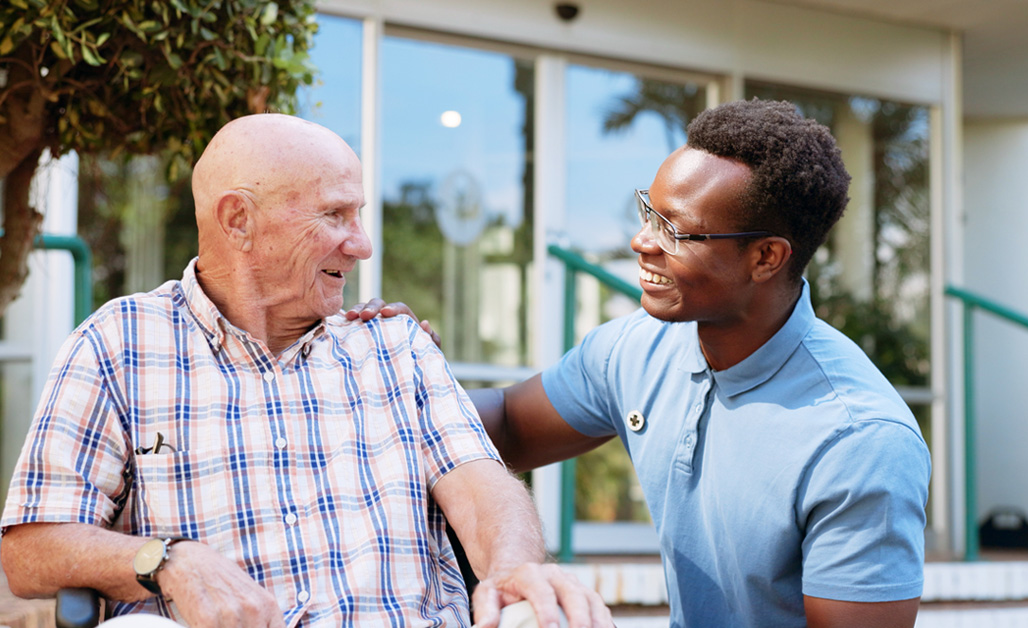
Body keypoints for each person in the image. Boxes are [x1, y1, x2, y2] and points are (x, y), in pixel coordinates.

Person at [0, 114, 611, 628]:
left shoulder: (395, 346)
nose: (362, 244)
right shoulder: (117, 345)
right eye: (334, 215)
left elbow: (483, 490)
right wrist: (165, 560)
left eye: (359, 215)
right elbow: (30, 550)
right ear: (237, 220)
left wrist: (514, 572)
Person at [353, 99, 931, 628]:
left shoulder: (860, 441)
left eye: (673, 230)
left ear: (765, 257)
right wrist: (404, 374)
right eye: (648, 211)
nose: (641, 241)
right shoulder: (639, 347)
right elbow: (507, 426)